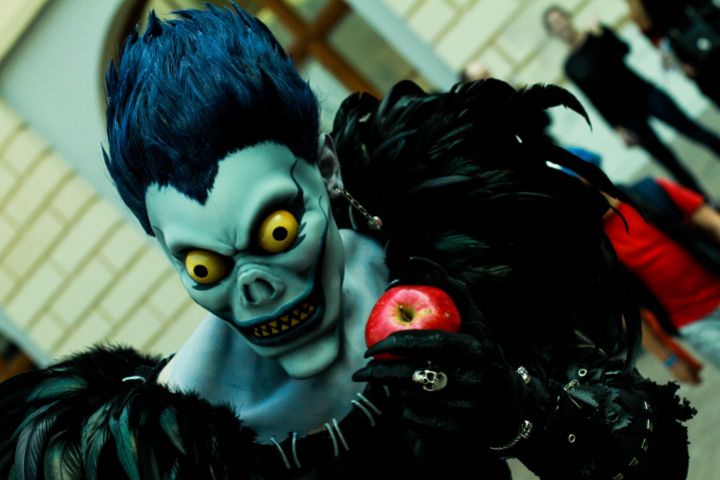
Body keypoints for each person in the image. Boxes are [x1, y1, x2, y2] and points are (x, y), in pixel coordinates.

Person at [0, 5, 694, 479]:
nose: (256, 286)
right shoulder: (160, 448)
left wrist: (520, 409)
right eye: (206, 266)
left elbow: (654, 456)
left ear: (325, 171)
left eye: (276, 230)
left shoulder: (447, 262)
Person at [543, 5, 720, 199]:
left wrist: (602, 35)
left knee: (693, 130)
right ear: (553, 33)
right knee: (668, 161)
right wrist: (617, 129)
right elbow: (594, 100)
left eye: (560, 20)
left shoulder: (596, 34)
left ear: (568, 18)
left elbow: (624, 50)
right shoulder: (570, 67)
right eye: (554, 25)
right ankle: (704, 202)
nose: (560, 26)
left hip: (645, 93)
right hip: (627, 118)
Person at [626, 0, 720, 108]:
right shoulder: (638, 5)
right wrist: (679, 64)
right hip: (690, 53)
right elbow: (656, 39)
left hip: (704, 37)